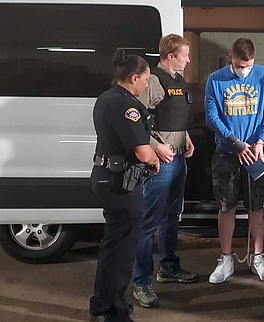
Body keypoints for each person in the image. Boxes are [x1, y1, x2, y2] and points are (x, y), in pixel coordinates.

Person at [90, 53, 161, 322]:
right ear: (133, 78)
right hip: (121, 183)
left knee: (113, 247)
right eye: (144, 80)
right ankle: (113, 312)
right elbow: (143, 152)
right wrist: (154, 159)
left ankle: (102, 305)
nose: (146, 85)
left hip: (109, 177)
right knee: (121, 252)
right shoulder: (125, 105)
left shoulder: (106, 98)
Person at [204, 37, 264, 284]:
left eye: (248, 64)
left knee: (257, 206)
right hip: (227, 151)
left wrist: (260, 142)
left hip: (256, 152)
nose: (244, 69)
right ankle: (226, 259)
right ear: (230, 59)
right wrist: (234, 142)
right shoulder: (216, 79)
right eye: (240, 65)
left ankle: (258, 256)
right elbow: (212, 116)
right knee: (226, 206)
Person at [132, 34, 198, 309]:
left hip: (179, 156)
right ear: (171, 56)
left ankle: (168, 267)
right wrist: (156, 148)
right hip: (161, 163)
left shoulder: (178, 81)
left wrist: (186, 138)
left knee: (171, 216)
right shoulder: (155, 80)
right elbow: (137, 121)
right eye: (185, 55)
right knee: (148, 224)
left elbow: (174, 117)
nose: (188, 59)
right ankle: (141, 283)